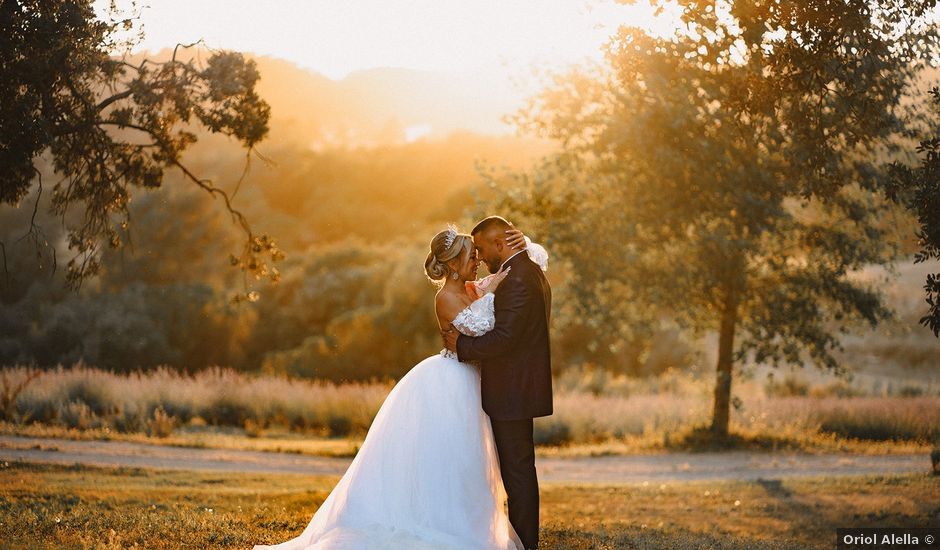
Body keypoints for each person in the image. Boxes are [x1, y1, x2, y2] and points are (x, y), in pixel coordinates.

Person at [254, 221, 550, 550]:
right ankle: (444, 523)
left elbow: (497, 313)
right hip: (453, 381)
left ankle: (471, 523)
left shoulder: (480, 286)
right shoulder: (447, 298)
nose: (477, 259)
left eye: (479, 252)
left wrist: (521, 249)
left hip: (479, 381)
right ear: (453, 264)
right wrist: (483, 309)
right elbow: (485, 329)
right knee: (453, 458)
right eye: (471, 255)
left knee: (477, 465)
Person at [442, 216, 552, 550]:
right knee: (517, 471)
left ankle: (525, 544)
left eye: (481, 248)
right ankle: (521, 541)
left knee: (517, 474)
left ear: (499, 244)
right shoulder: (524, 270)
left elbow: (505, 339)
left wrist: (460, 346)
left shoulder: (519, 279)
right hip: (515, 388)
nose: (479, 255)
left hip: (513, 390)